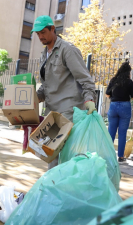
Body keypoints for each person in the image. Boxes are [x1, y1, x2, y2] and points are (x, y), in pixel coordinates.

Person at [31, 15, 96, 169]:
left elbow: (85, 79)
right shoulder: (44, 55)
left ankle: (63, 187)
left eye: (43, 32)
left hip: (68, 111)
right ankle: (53, 187)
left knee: (64, 155)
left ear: (53, 29)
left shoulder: (68, 50)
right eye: (37, 34)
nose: (40, 36)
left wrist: (89, 99)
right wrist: (31, 99)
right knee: (49, 154)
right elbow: (45, 86)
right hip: (52, 112)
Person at [105, 62, 133, 163]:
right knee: (122, 133)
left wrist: (114, 97)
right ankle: (121, 157)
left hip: (113, 106)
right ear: (128, 72)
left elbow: (107, 94)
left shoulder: (114, 80)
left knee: (111, 132)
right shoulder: (129, 82)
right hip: (125, 106)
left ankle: (108, 155)